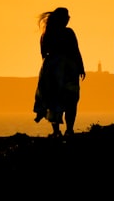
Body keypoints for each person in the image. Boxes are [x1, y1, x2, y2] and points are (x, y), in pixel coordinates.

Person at [33, 7, 86, 137]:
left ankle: (56, 131)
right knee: (70, 101)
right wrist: (81, 67)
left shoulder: (46, 34)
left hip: (51, 69)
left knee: (54, 100)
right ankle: (69, 129)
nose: (69, 18)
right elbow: (75, 50)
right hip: (68, 69)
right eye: (67, 16)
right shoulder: (68, 33)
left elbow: (43, 53)